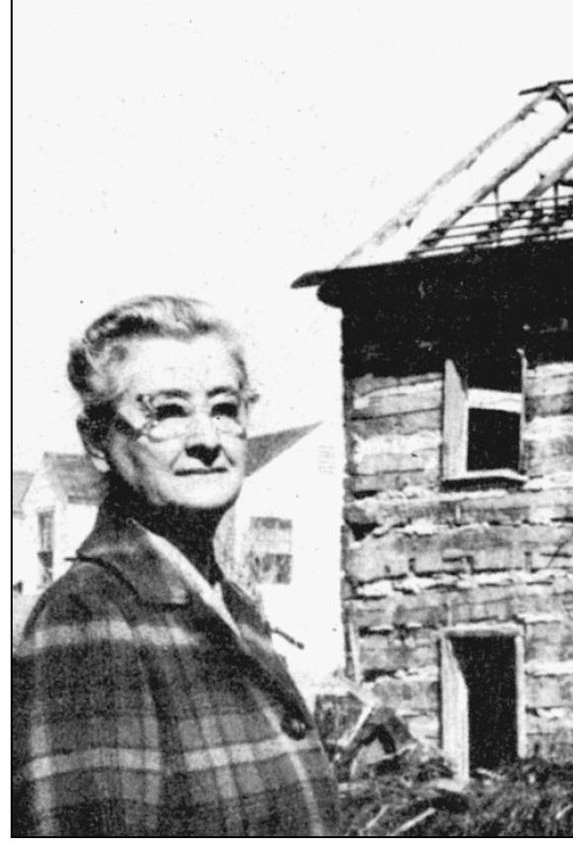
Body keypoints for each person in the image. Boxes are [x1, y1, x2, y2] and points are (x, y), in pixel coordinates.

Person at [12, 295, 339, 835]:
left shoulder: (231, 609)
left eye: (224, 409)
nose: (207, 440)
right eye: (167, 412)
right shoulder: (92, 614)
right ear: (97, 442)